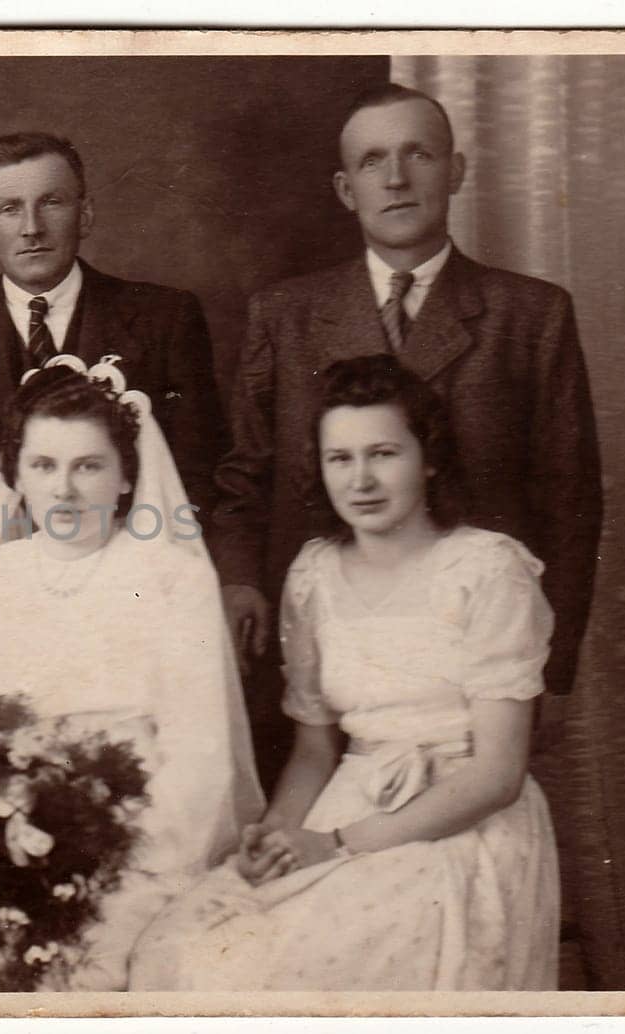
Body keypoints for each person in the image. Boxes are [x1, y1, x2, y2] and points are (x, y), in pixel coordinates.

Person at [132, 354, 559, 991]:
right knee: (179, 947)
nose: (361, 479)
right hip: (344, 805)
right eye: (340, 459)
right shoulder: (314, 576)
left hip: (458, 825)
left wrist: (335, 844)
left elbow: (497, 775)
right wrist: (278, 833)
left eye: (384, 453)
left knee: (294, 971)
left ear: (430, 458)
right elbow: (313, 753)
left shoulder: (487, 570)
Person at [210, 85, 601, 777]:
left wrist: (558, 670)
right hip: (331, 659)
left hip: (470, 667)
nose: (395, 179)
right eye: (371, 162)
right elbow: (247, 476)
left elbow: (571, 504)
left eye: (418, 154)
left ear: (456, 170)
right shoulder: (287, 314)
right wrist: (240, 582)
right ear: (344, 187)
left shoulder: (528, 315)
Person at [0, 356, 264, 991]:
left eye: (88, 466)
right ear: (17, 476)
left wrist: (115, 860)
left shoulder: (172, 577)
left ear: (124, 478)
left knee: (87, 973)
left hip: (140, 848)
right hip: (7, 842)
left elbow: (201, 759)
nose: (63, 490)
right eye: (44, 466)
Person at [0, 132, 232, 561]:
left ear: (84, 216)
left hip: (133, 569)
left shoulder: (164, 317)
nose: (32, 228)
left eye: (51, 202)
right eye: (9, 209)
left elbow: (199, 470)